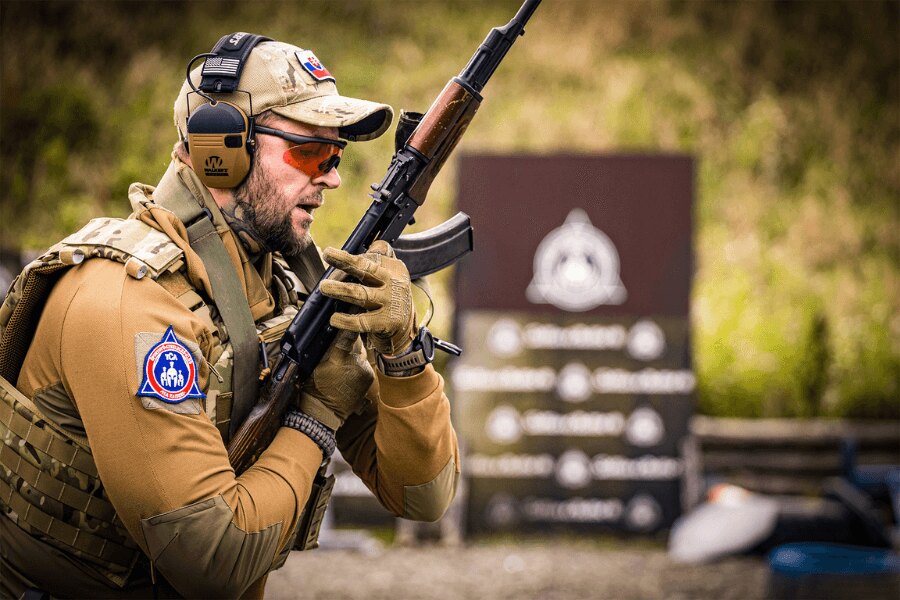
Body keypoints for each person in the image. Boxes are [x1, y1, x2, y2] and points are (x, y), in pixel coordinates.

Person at [0, 34, 460, 599]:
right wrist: (316, 415)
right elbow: (210, 561)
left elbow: (422, 497)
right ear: (222, 148)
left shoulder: (278, 288)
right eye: (309, 153)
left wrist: (402, 355)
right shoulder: (125, 301)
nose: (332, 177)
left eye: (336, 156)